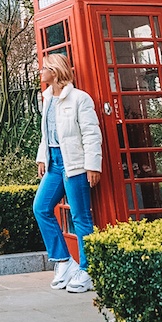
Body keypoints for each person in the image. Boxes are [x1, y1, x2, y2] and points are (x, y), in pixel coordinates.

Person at [33, 53, 102, 293]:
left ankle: (88, 269)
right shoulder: (47, 99)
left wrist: (93, 165)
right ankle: (64, 261)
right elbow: (47, 134)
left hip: (75, 163)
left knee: (80, 217)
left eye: (44, 68)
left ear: (55, 71)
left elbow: (91, 133)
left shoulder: (79, 99)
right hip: (54, 163)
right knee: (40, 208)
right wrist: (43, 158)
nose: (40, 72)